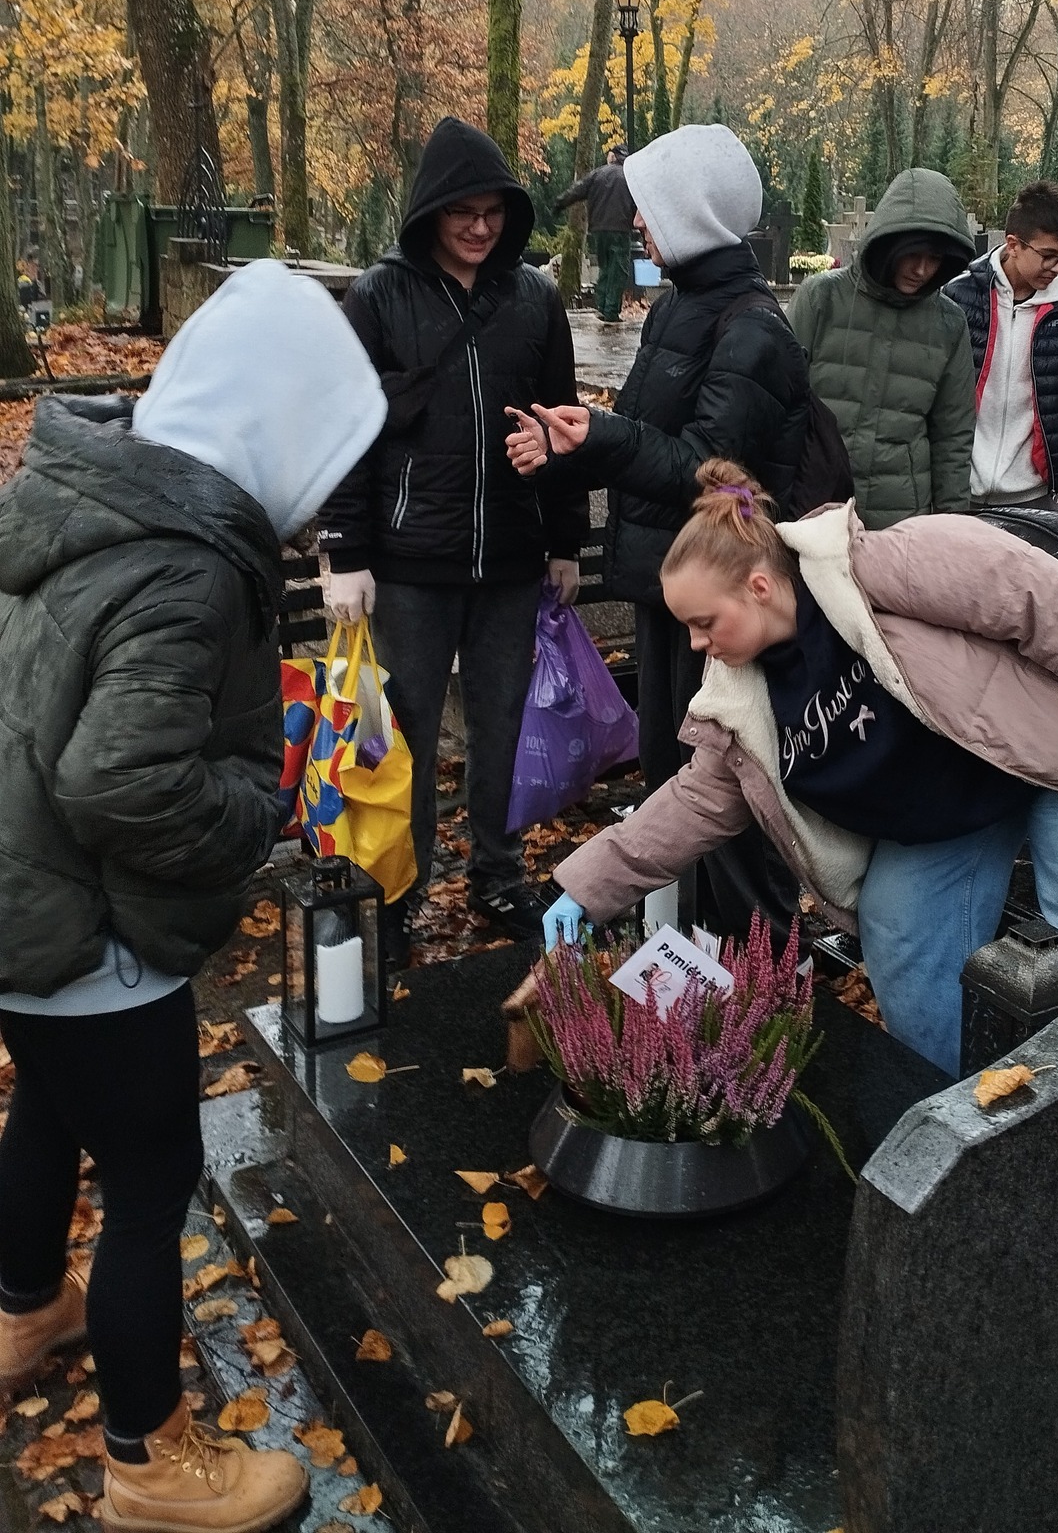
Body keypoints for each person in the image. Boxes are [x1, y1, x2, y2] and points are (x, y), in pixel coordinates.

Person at [0, 261, 386, 1532]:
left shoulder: (92, 495)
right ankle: (149, 1459)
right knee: (153, 1174)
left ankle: (22, 1309)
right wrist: (258, 808)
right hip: (88, 926)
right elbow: (119, 775)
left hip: (20, 900)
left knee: (49, 1110)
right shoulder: (188, 564)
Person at [516, 461, 1058, 1074]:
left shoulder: (882, 564)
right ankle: (950, 1105)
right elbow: (695, 802)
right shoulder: (744, 699)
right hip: (951, 810)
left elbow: (1038, 597)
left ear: (758, 587)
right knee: (899, 934)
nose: (695, 644)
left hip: (1056, 751)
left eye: (704, 622)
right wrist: (586, 890)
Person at [504, 123, 809, 938]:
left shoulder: (752, 329)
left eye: (650, 207)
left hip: (720, 599)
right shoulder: (676, 308)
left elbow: (709, 468)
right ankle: (685, 955)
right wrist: (564, 454)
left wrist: (600, 437)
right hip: (664, 585)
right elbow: (646, 446)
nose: (636, 222)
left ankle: (760, 967)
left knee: (729, 796)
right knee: (674, 782)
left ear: (692, 213)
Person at [317, 117, 587, 955]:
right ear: (430, 212)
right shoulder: (380, 296)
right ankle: (398, 890)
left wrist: (565, 542)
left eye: (492, 213)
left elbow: (562, 424)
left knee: (500, 726)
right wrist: (346, 552)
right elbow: (347, 430)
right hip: (409, 567)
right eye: (462, 213)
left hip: (508, 561)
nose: (478, 228)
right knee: (400, 734)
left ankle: (498, 873)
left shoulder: (535, 299)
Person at [788, 167, 975, 528]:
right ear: (888, 243)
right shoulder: (821, 298)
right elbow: (778, 402)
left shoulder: (949, 324)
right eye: (913, 254)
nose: (922, 270)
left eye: (935, 258)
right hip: (814, 507)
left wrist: (952, 529)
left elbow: (953, 436)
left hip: (900, 520)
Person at [944, 180, 1058, 510]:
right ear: (1013, 245)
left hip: (1035, 494)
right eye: (1048, 255)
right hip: (959, 489)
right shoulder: (958, 295)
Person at [555, 143, 634, 323]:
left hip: (598, 229)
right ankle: (611, 311)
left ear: (612, 157)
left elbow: (578, 189)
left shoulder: (598, 174)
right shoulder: (629, 176)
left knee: (604, 268)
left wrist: (560, 203)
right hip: (620, 228)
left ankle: (601, 307)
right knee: (618, 270)